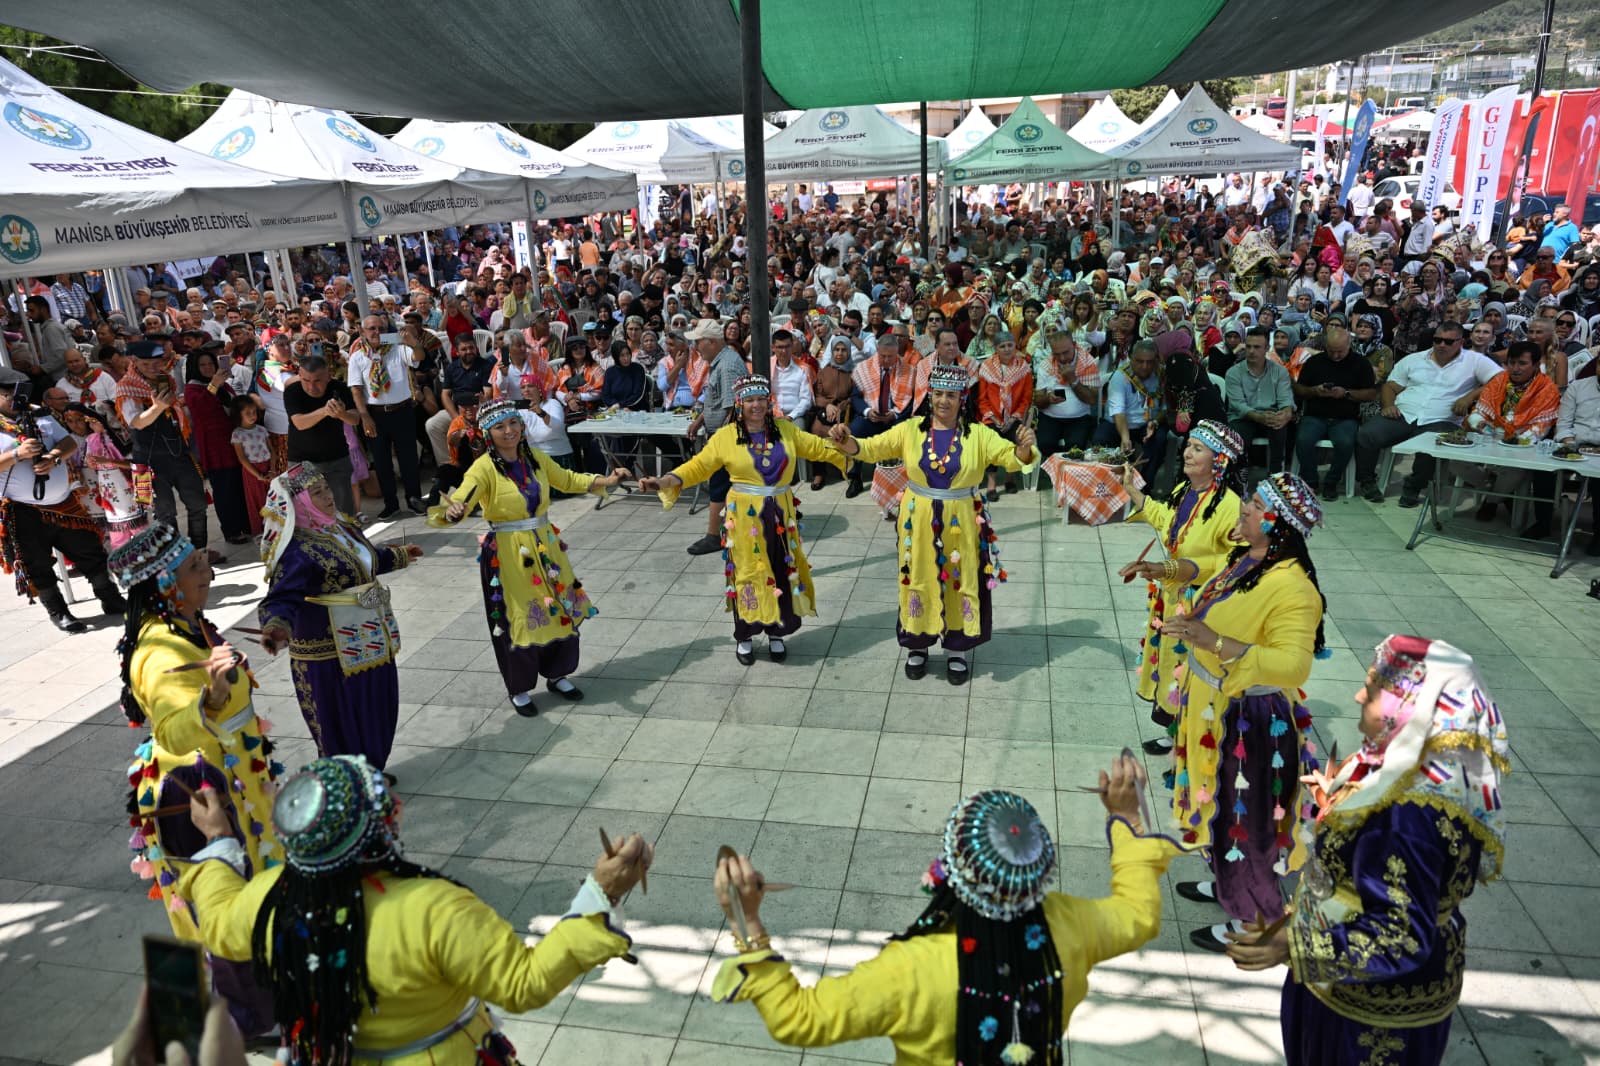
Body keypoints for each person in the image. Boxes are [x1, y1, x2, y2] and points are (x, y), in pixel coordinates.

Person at [179, 754, 650, 1066]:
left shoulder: (267, 898)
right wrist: (598, 896)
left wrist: (219, 838)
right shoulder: (433, 909)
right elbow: (522, 984)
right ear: (385, 825)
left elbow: (218, 920)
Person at [710, 756, 1183, 1064]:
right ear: (1038, 871)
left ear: (948, 871)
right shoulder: (1072, 926)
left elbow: (800, 1020)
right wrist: (1128, 819)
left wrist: (748, 922)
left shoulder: (907, 971)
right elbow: (1139, 914)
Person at [1228, 636, 1508, 1066]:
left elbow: (1401, 935)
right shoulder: (1431, 768)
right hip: (1379, 988)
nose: (1360, 695)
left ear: (1409, 709)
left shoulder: (1405, 816)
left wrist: (1294, 946)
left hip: (1368, 1012)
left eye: (1374, 690)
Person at [1131, 472, 1327, 951]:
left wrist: (1216, 642)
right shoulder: (1249, 557)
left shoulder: (1295, 590)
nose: (1245, 507)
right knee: (1210, 798)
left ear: (1277, 522)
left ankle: (1253, 918)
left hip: (1249, 716)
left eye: (1256, 504)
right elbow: (1209, 571)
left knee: (1248, 814)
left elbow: (1295, 666)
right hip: (1211, 704)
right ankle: (1224, 881)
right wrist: (1168, 572)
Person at [108, 520, 279, 1036]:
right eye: (194, 567)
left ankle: (258, 995)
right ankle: (246, 1017)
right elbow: (173, 728)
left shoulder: (189, 625)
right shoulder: (159, 652)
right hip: (197, 795)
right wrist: (210, 701)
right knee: (221, 903)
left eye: (203, 561)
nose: (208, 572)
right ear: (164, 584)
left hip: (226, 776)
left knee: (245, 888)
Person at [831, 364, 1037, 685]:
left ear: (962, 399)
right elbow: (871, 448)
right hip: (919, 518)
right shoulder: (911, 429)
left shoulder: (979, 434)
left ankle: (957, 649)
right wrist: (847, 441)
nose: (943, 401)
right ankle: (918, 645)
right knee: (919, 577)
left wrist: (1023, 449)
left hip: (963, 520)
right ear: (929, 396)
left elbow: (1011, 457)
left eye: (951, 395)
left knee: (961, 577)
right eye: (938, 394)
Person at [639, 375, 842, 665]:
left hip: (781, 516)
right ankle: (745, 636)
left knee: (781, 570)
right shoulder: (725, 436)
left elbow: (820, 448)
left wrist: (849, 446)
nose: (756, 405)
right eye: (749, 400)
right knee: (748, 573)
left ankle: (776, 632)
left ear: (769, 402)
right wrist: (663, 481)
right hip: (746, 519)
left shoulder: (786, 431)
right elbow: (699, 466)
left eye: (761, 399)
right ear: (739, 403)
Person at [443, 400, 628, 715]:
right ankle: (520, 687)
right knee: (519, 618)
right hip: (509, 554)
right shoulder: (484, 467)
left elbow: (567, 479)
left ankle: (558, 674)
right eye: (500, 427)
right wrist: (453, 508)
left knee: (559, 607)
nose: (509, 431)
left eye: (513, 423)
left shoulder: (535, 457)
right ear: (488, 433)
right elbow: (463, 495)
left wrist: (606, 481)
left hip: (546, 545)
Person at [257, 464, 422, 773]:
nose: (327, 496)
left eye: (327, 488)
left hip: (370, 635)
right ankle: (349, 781)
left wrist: (399, 555)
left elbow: (364, 558)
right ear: (297, 504)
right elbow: (281, 596)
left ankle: (371, 769)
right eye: (316, 492)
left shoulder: (341, 525)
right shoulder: (296, 550)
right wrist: (276, 626)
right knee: (342, 718)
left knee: (376, 706)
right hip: (328, 651)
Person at [1118, 421, 1245, 760]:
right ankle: (1174, 733)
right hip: (1175, 596)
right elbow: (1167, 518)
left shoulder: (1231, 508)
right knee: (1173, 664)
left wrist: (1172, 569)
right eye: (1188, 445)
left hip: (1204, 606)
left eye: (1198, 449)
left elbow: (1234, 562)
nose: (1187, 452)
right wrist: (1133, 492)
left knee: (1194, 671)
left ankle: (1195, 746)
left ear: (1219, 461)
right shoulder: (1184, 491)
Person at [0, 366, 125, 630]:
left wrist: (54, 456)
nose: (13, 398)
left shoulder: (38, 413)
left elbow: (67, 442)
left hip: (63, 499)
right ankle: (58, 611)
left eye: (17, 391)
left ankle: (109, 597)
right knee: (37, 562)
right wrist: (17, 455)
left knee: (89, 549)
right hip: (23, 509)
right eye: (6, 393)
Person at [1355, 322, 1500, 507]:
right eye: (1437, 340)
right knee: (1366, 434)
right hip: (1404, 413)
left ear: (1460, 342)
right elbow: (1390, 386)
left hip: (1441, 418)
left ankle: (1414, 486)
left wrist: (1469, 397)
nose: (1441, 345)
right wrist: (1388, 405)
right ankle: (1367, 481)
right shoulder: (1414, 359)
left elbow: (1499, 381)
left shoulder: (1474, 361)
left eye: (1448, 342)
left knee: (1431, 446)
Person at [116, 341, 217, 564]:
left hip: (178, 452)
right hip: (148, 459)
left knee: (198, 504)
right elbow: (136, 422)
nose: (153, 367)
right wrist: (158, 407)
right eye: (146, 363)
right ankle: (174, 560)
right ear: (134, 362)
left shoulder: (167, 380)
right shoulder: (126, 387)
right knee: (164, 513)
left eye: (157, 362)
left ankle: (199, 553)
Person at [682, 320, 751, 553]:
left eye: (698, 342)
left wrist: (720, 443)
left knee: (719, 485)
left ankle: (714, 536)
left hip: (727, 435)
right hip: (722, 433)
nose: (696, 347)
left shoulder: (728, 365)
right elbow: (716, 399)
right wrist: (699, 420)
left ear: (711, 342)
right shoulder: (720, 362)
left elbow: (734, 408)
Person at [347, 315, 425, 521]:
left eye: (381, 328)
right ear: (363, 332)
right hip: (375, 414)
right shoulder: (357, 357)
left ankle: (414, 498)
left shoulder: (398, 349)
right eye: (371, 328)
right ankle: (391, 503)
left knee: (408, 457)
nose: (376, 332)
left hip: (402, 410)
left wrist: (413, 342)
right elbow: (356, 389)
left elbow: (418, 357)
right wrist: (364, 416)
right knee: (382, 461)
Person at [1292, 324, 1379, 500]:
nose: (1336, 355)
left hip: (1345, 416)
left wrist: (1346, 393)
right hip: (1315, 414)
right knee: (1303, 440)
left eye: (1340, 351)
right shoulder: (1314, 362)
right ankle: (1310, 480)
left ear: (1349, 345)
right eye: (1331, 351)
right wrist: (1315, 391)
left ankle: (1332, 482)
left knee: (1345, 443)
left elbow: (1371, 394)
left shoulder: (1360, 363)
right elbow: (1299, 390)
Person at [844, 334, 924, 498]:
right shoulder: (863, 368)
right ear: (877, 351)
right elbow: (856, 397)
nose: (886, 360)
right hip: (870, 416)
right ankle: (855, 477)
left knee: (904, 433)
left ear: (897, 354)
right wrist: (867, 411)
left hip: (895, 418)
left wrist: (894, 415)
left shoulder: (909, 371)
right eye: (882, 356)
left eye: (890, 356)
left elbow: (912, 403)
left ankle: (901, 480)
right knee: (855, 430)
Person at [282, 354, 361, 515]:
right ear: (299, 376)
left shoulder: (339, 388)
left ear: (328, 376)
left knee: (344, 511)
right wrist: (325, 411)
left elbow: (355, 419)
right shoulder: (293, 391)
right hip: (302, 461)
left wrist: (341, 414)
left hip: (336, 459)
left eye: (317, 381)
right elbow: (299, 423)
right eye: (305, 380)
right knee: (307, 513)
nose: (311, 387)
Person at [1096, 337, 1169, 483]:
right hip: (1119, 423)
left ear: (1156, 361)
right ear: (1131, 359)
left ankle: (1145, 486)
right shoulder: (1120, 376)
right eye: (1139, 361)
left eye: (1149, 362)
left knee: (1159, 441)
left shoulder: (1161, 375)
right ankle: (1108, 485)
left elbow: (1165, 408)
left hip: (1147, 424)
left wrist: (1155, 421)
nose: (1144, 366)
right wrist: (1125, 437)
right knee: (1100, 440)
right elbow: (1118, 410)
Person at [1226, 328, 1294, 476]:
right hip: (1243, 417)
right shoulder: (1233, 372)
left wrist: (1286, 414)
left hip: (1270, 415)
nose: (1251, 351)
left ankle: (1275, 478)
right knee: (1237, 439)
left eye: (1257, 347)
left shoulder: (1279, 371)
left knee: (1280, 428)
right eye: (1248, 346)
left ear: (1267, 349)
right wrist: (1259, 417)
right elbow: (1238, 405)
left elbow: (1286, 400)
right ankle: (1237, 479)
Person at [975, 331, 1034, 499]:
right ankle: (992, 483)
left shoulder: (1024, 367)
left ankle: (1010, 478)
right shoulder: (986, 367)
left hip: (1015, 416)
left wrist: (1013, 418)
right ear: (996, 349)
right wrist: (994, 418)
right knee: (991, 439)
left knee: (1014, 436)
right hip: (991, 416)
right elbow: (982, 399)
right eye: (1002, 346)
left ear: (1015, 346)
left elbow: (1026, 398)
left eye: (1010, 345)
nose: (1007, 349)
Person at [1031, 330, 1100, 457]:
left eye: (1065, 352)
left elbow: (1092, 400)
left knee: (1076, 446)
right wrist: (1047, 399)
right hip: (1050, 417)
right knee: (1045, 445)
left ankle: (1067, 468)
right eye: (1057, 354)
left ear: (1073, 344)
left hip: (1079, 418)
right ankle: (1059, 467)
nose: (1062, 358)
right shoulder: (1046, 364)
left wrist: (1073, 380)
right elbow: (1038, 401)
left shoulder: (1088, 362)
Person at [808, 336, 856, 490]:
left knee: (848, 431)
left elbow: (856, 396)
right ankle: (819, 473)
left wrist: (841, 406)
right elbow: (816, 395)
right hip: (824, 411)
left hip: (846, 412)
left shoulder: (854, 372)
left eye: (843, 350)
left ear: (849, 352)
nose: (840, 353)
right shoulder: (823, 372)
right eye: (836, 350)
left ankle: (848, 467)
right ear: (832, 351)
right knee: (815, 432)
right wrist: (828, 405)